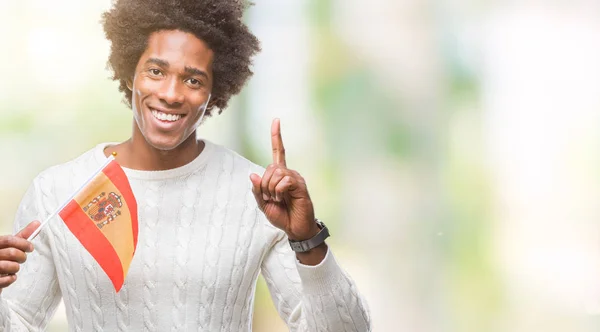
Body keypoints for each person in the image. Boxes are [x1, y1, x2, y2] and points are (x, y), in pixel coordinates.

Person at [0, 0, 371, 331]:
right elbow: (17, 323)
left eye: (193, 80)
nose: (171, 94)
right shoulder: (58, 190)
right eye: (156, 72)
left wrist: (307, 240)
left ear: (214, 93)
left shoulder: (257, 195)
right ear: (130, 72)